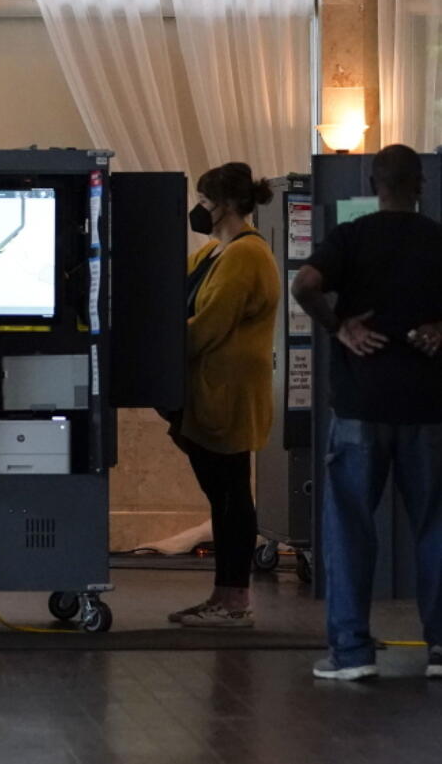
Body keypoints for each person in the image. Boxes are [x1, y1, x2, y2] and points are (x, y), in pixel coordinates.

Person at [291, 144, 442, 681]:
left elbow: (304, 285)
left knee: (351, 527)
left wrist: (341, 328)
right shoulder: (437, 239)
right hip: (428, 409)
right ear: (419, 184)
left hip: (359, 406)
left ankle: (351, 653)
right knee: (435, 527)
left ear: (372, 183)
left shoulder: (350, 239)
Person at [167, 163, 280, 628]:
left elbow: (208, 326)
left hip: (227, 396)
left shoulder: (245, 256)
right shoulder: (214, 252)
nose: (200, 209)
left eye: (206, 200)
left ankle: (234, 602)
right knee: (223, 496)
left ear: (228, 205)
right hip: (208, 392)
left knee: (231, 498)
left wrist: (160, 345)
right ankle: (224, 596)